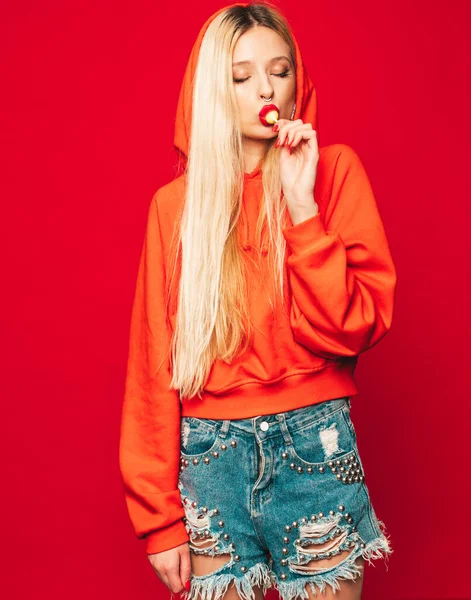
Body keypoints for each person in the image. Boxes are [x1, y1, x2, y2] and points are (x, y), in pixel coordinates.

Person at [119, 2, 397, 599]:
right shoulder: (175, 207)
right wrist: (158, 517)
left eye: (280, 70)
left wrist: (302, 210)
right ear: (213, 91)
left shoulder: (334, 173)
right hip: (209, 459)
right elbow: (154, 366)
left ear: (299, 81)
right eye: (242, 77)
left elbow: (353, 328)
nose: (266, 88)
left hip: (314, 447)